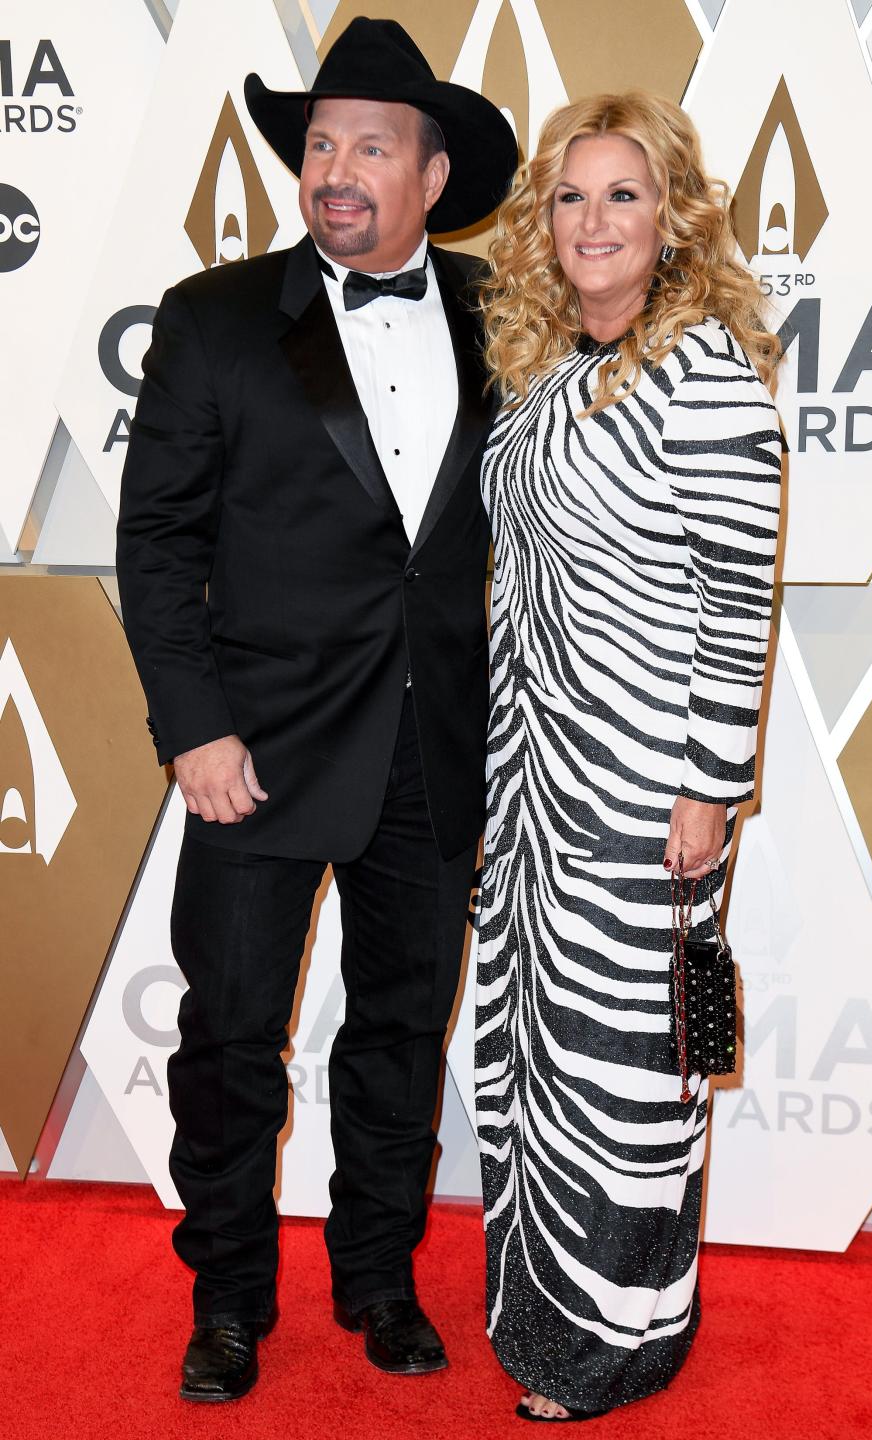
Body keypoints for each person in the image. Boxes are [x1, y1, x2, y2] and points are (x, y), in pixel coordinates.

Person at [116, 17, 516, 1404]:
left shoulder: (498, 314)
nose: (335, 169)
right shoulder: (214, 316)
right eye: (320, 143)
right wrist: (192, 726)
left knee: (401, 1032)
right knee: (231, 1044)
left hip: (433, 749)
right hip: (258, 754)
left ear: (433, 169)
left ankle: (378, 1279)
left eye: (371, 146)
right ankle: (227, 1299)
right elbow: (158, 542)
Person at [475, 91, 782, 1422]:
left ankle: (615, 1341)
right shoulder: (550, 378)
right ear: (545, 224)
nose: (593, 222)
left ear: (673, 220)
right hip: (538, 787)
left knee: (624, 1079)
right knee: (532, 1055)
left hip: (646, 794)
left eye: (623, 195)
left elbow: (737, 602)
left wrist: (709, 789)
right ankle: (544, 1311)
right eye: (571, 197)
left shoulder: (703, 378)